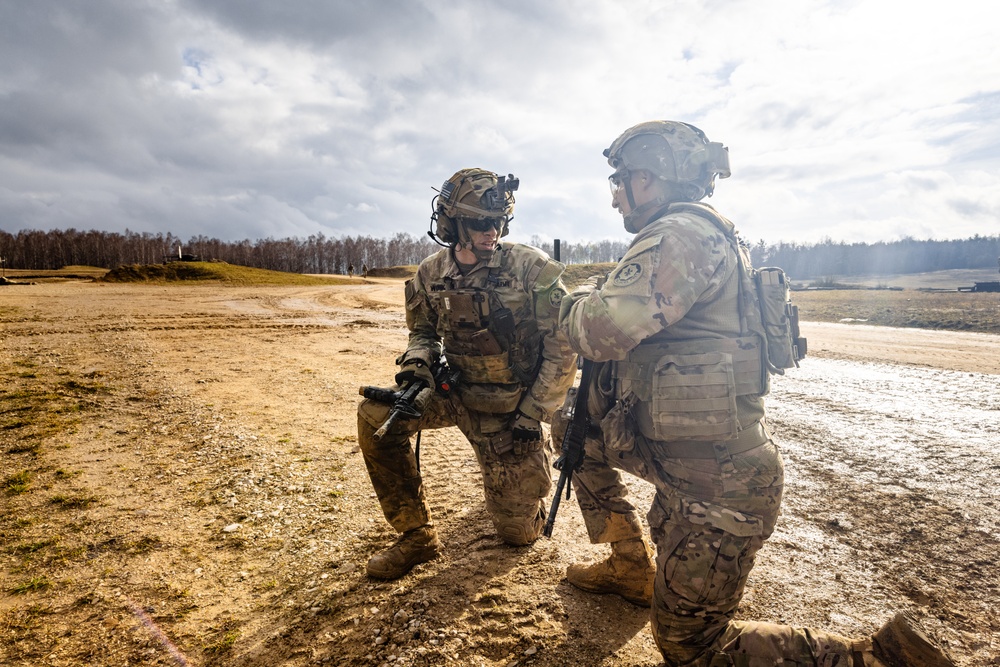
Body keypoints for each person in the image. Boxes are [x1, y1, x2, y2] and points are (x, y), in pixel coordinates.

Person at [554, 121, 956, 666]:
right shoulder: (705, 233)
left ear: (650, 179)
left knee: (689, 649)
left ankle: (877, 660)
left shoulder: (680, 236)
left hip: (721, 486)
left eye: (622, 182)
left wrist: (571, 301)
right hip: (684, 461)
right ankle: (630, 566)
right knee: (574, 431)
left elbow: (598, 332)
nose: (617, 196)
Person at [358, 167, 577, 579]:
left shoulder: (531, 269)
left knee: (517, 535)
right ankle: (416, 535)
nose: (491, 231)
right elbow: (422, 330)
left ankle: (525, 475)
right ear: (452, 221)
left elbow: (563, 347)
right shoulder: (430, 272)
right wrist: (417, 372)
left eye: (498, 222)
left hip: (511, 411)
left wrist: (535, 414)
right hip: (456, 392)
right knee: (375, 417)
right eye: (480, 223)